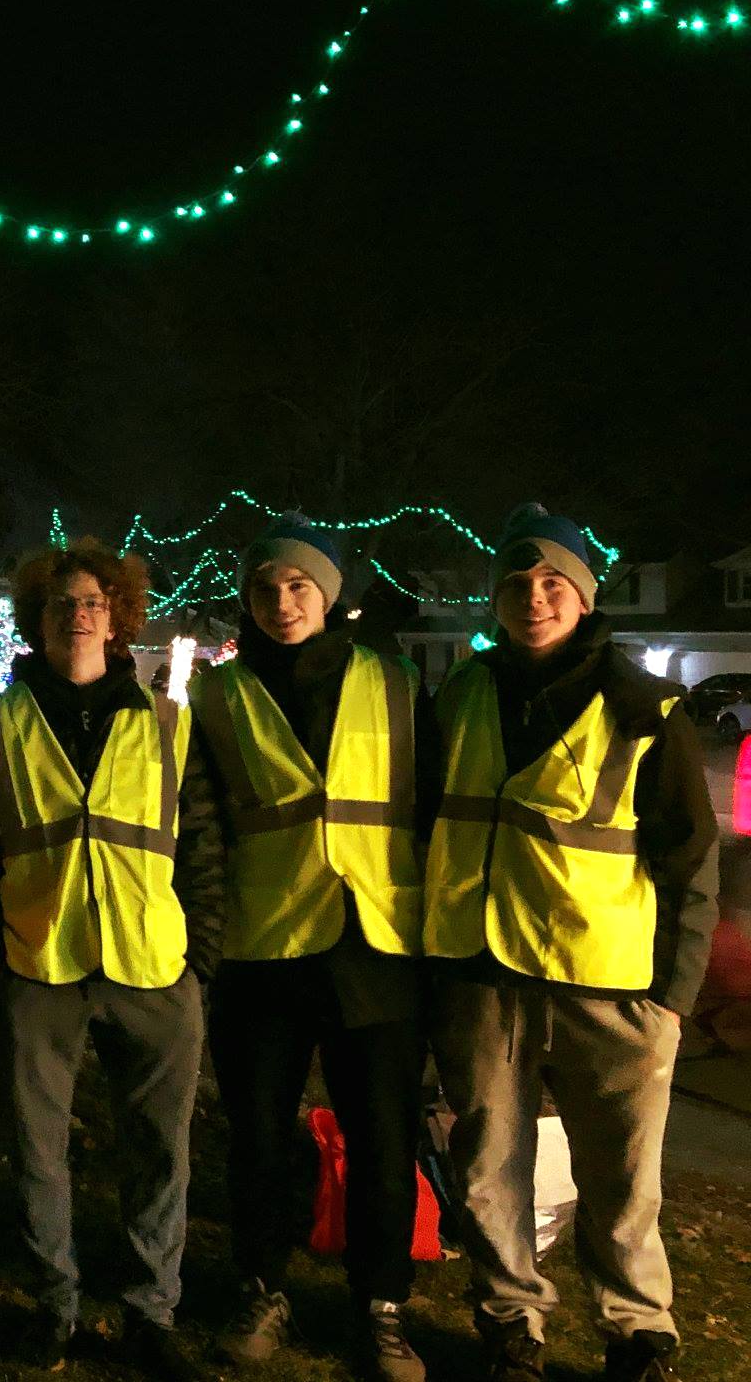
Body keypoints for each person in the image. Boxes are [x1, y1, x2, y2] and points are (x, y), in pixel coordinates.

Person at [426, 504, 719, 1382]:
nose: (534, 596)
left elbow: (689, 857)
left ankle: (638, 1332)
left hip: (611, 984)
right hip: (482, 974)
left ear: (585, 597)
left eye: (555, 581)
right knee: (488, 1170)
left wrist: (674, 996)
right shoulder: (466, 692)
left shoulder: (643, 705)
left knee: (624, 1182)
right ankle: (511, 1322)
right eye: (517, 581)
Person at [0, 542, 224, 1380]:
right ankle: (54, 1304)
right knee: (39, 1151)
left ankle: (150, 1310)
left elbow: (204, 846)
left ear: (120, 614)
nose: (79, 615)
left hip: (154, 965)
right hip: (38, 965)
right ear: (38, 620)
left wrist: (200, 955)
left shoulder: (170, 725)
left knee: (160, 1152)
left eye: (94, 601)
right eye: (62, 603)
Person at [188, 514, 436, 1381]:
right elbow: (204, 825)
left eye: (298, 586)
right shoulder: (215, 697)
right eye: (264, 588)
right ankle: (261, 1285)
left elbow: (431, 809)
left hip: (377, 942)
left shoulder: (400, 683)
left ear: (329, 597)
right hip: (265, 946)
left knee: (382, 1138)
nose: (281, 601)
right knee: (257, 1136)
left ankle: (383, 1306)